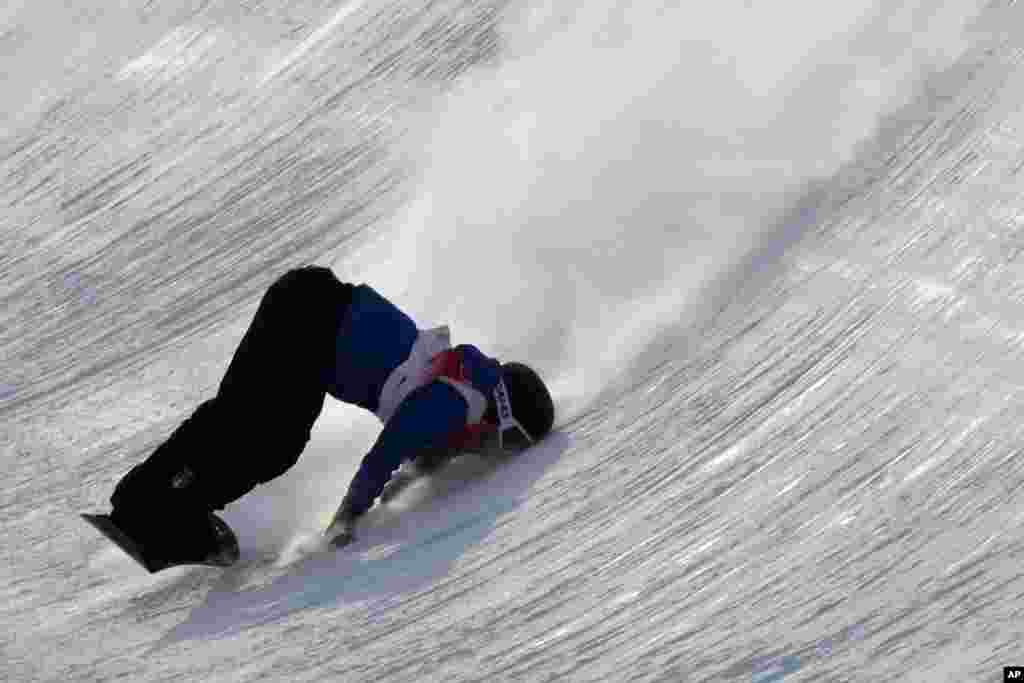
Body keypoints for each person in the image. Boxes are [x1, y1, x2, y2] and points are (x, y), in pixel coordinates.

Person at [105, 266, 555, 564]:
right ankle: (150, 505)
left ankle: (156, 502)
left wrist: (405, 486)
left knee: (259, 431)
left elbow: (418, 454)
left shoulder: (465, 395)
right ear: (501, 412)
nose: (494, 453)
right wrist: (346, 518)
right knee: (261, 434)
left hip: (309, 314)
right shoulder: (457, 402)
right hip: (308, 321)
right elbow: (391, 449)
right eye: (508, 442)